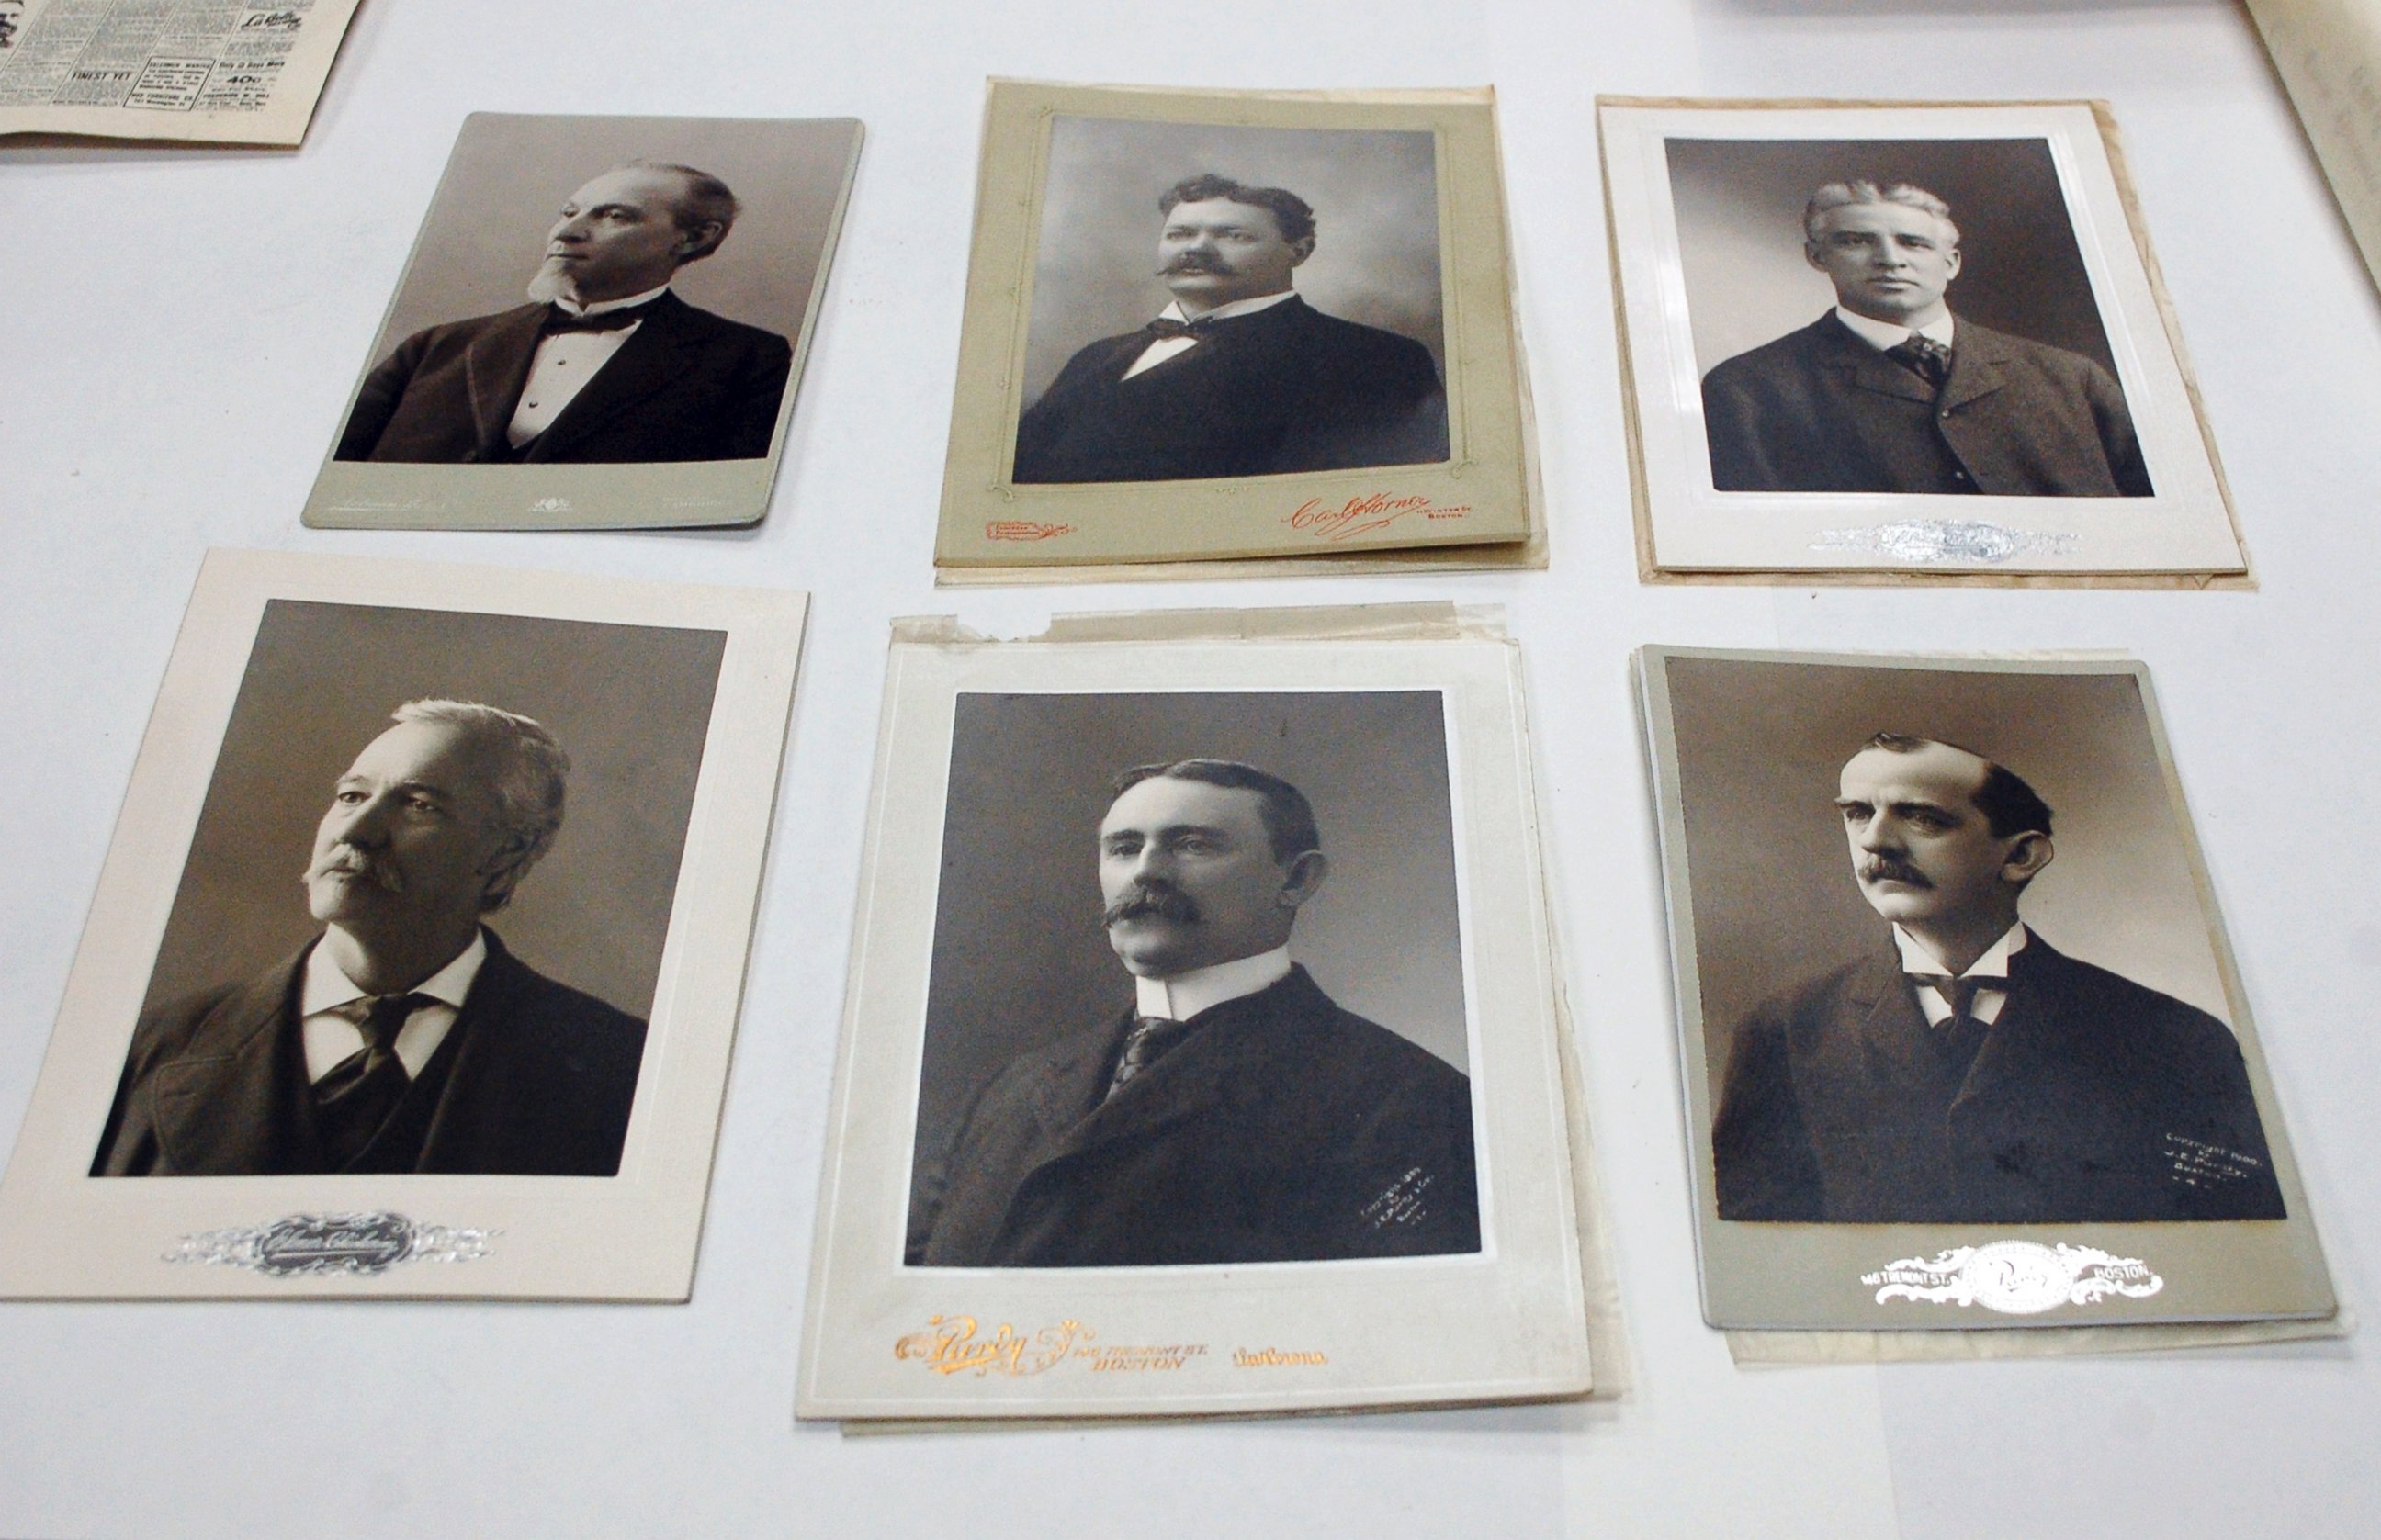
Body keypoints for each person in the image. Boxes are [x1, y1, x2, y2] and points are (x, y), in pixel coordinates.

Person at [908, 759, 1479, 1266]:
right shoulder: (1012, 1087)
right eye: (1125, 849)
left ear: (1298, 880)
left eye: (1192, 845)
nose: (1146, 873)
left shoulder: (1409, 1101)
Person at [1711, 733, 2285, 1224]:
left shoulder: (2176, 1039)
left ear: (2022, 856)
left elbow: (2233, 1237)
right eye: (1858, 812)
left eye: (1921, 817)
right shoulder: (1785, 1033)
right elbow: (1755, 1244)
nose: (1875, 841)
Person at [93, 701, 647, 1177]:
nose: (356, 832)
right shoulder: (149, 1050)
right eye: (352, 796)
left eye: (419, 806)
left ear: (505, 856)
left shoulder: (617, 1066)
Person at [1698, 180, 2154, 497]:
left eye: (1914, 243)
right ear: (1816, 257)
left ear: (1951, 262)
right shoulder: (1748, 389)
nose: (1889, 260)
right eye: (1856, 242)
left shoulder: (2072, 378)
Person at [334, 162, 791, 464]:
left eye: (614, 216)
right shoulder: (431, 349)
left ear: (693, 238)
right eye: (568, 212)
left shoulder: (750, 361)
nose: (568, 232)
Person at [1011, 174, 1450, 484]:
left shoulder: (1371, 358)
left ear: (1298, 251)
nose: (1196, 249)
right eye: (1180, 234)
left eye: (1234, 236)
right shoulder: (1096, 356)